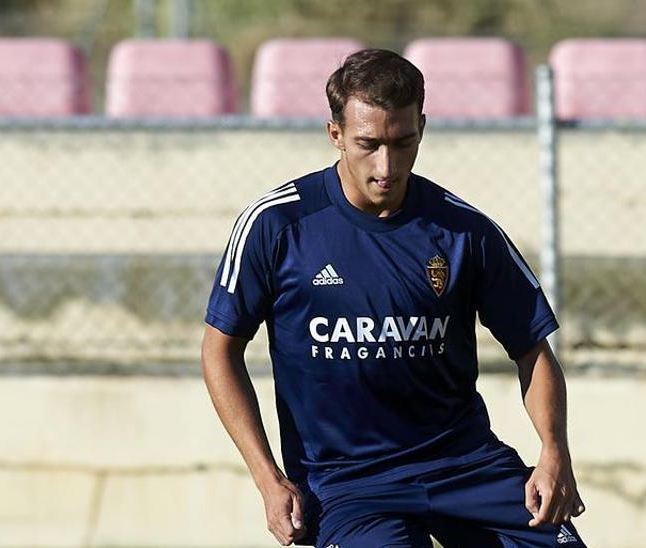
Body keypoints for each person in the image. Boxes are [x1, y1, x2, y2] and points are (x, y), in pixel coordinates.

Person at [201, 48, 586, 547]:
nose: (387, 165)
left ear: (422, 128)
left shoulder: (463, 230)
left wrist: (555, 451)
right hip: (346, 484)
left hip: (464, 466)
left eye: (403, 143)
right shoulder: (278, 225)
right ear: (335, 134)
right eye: (368, 144)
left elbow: (532, 348)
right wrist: (268, 477)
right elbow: (219, 349)